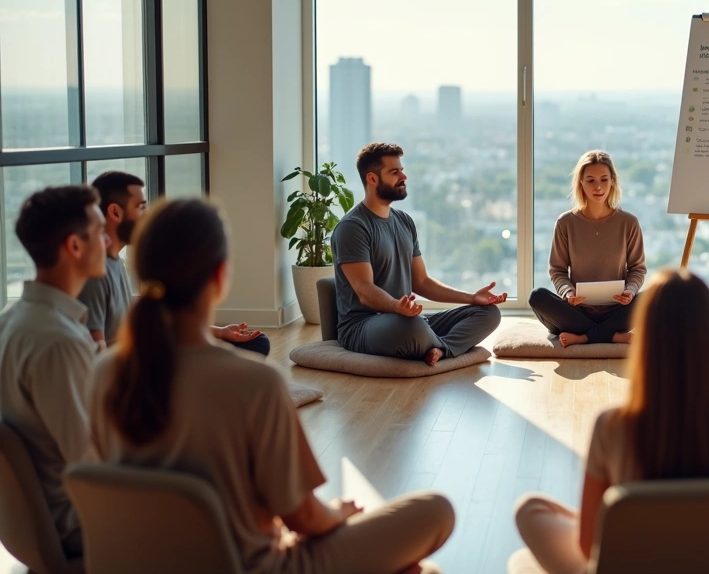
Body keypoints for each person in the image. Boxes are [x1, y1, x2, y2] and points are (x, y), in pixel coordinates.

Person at [88, 199, 455, 573]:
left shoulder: (102, 374)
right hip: (258, 566)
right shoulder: (254, 383)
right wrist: (340, 513)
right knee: (436, 511)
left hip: (140, 562)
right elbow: (306, 520)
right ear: (220, 276)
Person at [514, 269, 709, 574]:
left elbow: (588, 547)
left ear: (646, 335)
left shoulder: (612, 426)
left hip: (629, 565)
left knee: (531, 510)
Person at [0, 186, 108, 556]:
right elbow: (88, 463)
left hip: (30, 523)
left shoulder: (10, 321)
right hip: (79, 525)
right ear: (74, 246)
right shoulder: (59, 341)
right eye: (99, 231)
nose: (108, 240)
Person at [332, 142, 505, 366]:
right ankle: (444, 345)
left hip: (406, 320)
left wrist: (472, 298)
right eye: (395, 172)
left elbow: (421, 281)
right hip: (364, 325)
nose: (404, 177)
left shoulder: (404, 221)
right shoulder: (352, 227)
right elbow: (364, 291)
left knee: (489, 314)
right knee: (414, 328)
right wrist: (396, 307)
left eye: (401, 170)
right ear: (372, 179)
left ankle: (440, 349)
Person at [77, 171, 270, 354]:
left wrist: (220, 332)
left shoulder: (116, 262)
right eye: (141, 207)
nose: (147, 215)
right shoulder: (95, 274)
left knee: (258, 343)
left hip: (149, 349)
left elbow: (149, 321)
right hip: (139, 364)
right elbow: (97, 352)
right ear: (115, 212)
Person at [529, 150, 645, 347]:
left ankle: (585, 336)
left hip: (617, 310)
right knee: (537, 296)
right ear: (580, 182)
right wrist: (568, 293)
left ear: (613, 181)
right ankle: (611, 335)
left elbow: (637, 268)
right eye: (590, 180)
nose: (598, 186)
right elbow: (557, 270)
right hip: (577, 311)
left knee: (656, 297)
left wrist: (630, 291)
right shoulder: (565, 223)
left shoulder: (629, 222)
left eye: (604, 179)